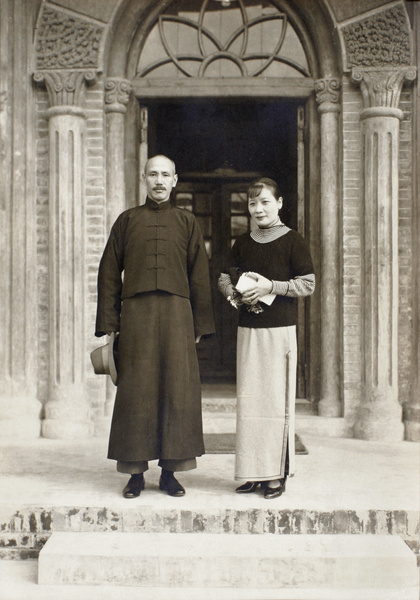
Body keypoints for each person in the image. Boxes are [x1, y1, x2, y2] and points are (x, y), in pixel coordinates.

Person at [95, 155, 215, 498]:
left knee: (177, 390)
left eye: (165, 175)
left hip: (178, 315)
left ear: (175, 180)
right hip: (136, 316)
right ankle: (134, 474)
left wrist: (199, 324)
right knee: (136, 391)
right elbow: (108, 273)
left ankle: (170, 473)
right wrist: (110, 324)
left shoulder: (187, 221)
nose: (159, 180)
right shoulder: (127, 220)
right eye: (153, 174)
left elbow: (199, 276)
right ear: (144, 179)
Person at [218, 178, 315, 499]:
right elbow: (224, 275)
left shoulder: (293, 241)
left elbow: (307, 284)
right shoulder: (242, 243)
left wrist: (271, 286)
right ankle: (252, 472)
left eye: (264, 202)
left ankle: (275, 476)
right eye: (252, 204)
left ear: (280, 203)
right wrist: (234, 294)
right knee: (249, 403)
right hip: (248, 331)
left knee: (274, 403)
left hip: (279, 332)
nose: (258, 209)